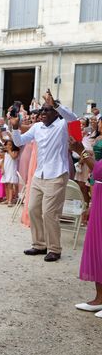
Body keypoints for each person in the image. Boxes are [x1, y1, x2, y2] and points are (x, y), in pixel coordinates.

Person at [11, 89, 78, 262]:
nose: (42, 113)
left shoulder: (63, 125)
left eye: (47, 110)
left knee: (49, 213)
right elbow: (18, 142)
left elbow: (74, 118)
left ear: (56, 112)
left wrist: (55, 102)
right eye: (41, 110)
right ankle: (39, 244)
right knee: (33, 209)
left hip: (57, 174)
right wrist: (15, 127)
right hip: (39, 175)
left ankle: (55, 248)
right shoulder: (37, 127)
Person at [70, 136, 102, 317]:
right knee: (97, 247)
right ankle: (99, 299)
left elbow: (100, 170)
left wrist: (80, 150)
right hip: (99, 195)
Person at [1, 140, 20, 206]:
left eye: (10, 145)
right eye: (7, 145)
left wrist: (9, 150)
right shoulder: (5, 153)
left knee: (10, 186)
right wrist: (2, 168)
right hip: (6, 170)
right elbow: (3, 161)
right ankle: (7, 198)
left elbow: (13, 157)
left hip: (11, 170)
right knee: (6, 185)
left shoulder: (15, 152)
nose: (8, 146)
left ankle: (10, 200)